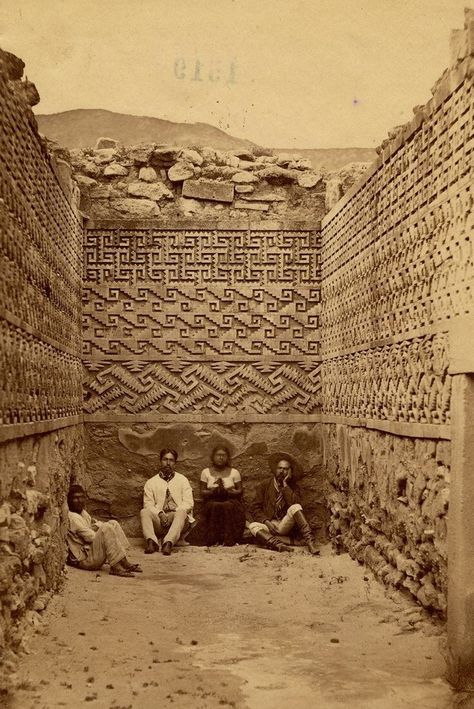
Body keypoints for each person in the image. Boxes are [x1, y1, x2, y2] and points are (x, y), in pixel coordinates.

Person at [248, 455, 319, 554]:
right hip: (270, 524)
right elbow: (254, 508)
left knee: (296, 507)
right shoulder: (265, 485)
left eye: (285, 469)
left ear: (290, 471)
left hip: (285, 524)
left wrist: (285, 485)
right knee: (253, 526)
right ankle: (279, 545)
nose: (282, 471)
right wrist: (266, 521)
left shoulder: (293, 487)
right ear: (275, 469)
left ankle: (310, 543)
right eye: (279, 468)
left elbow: (295, 505)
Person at [67, 484, 142, 577]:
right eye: (76, 498)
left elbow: (93, 524)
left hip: (90, 551)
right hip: (85, 560)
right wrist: (97, 528)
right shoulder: (72, 517)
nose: (80, 501)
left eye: (82, 497)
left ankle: (124, 561)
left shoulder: (82, 513)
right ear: (69, 500)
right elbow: (92, 537)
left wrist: (95, 527)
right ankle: (116, 567)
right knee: (106, 527)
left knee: (113, 523)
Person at [140, 448, 194, 556]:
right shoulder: (151, 482)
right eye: (165, 459)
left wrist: (173, 513)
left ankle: (168, 543)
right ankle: (151, 541)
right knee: (144, 512)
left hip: (178, 521)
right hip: (160, 521)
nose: (168, 463)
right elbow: (148, 504)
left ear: (175, 463)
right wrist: (160, 514)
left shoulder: (182, 480)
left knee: (181, 512)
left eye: (171, 460)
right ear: (160, 461)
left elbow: (189, 503)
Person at [200, 445, 246, 546]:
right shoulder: (205, 472)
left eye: (223, 455)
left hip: (231, 500)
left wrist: (228, 492)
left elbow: (240, 491)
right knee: (215, 506)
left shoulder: (234, 472)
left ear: (227, 458)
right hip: (212, 500)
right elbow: (202, 491)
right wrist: (213, 492)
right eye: (218, 455)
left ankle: (228, 539)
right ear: (213, 457)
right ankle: (213, 539)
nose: (220, 458)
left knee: (227, 506)